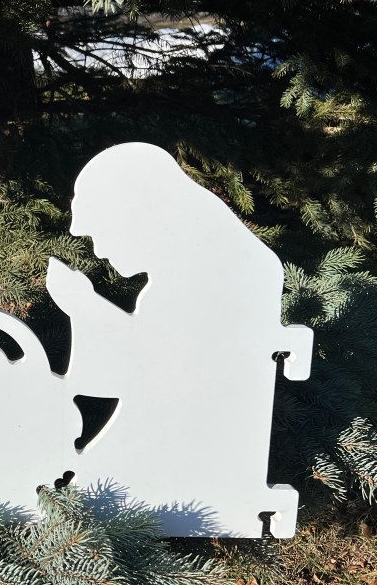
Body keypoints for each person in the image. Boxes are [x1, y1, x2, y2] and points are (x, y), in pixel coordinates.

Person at [48, 142, 312, 537]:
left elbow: (151, 373)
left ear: (139, 213)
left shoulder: (209, 275)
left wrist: (83, 306)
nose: (99, 251)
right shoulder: (211, 265)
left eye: (102, 233)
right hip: (185, 447)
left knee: (88, 492)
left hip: (192, 463)